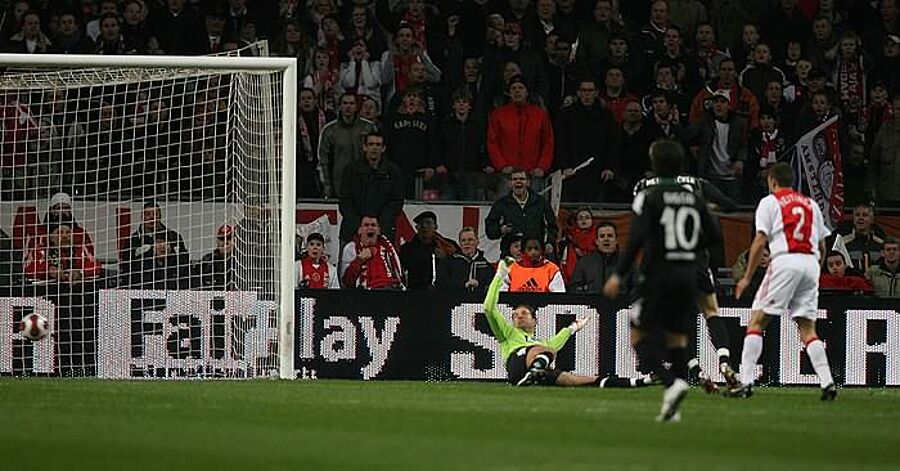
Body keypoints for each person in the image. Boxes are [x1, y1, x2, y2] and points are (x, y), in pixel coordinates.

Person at [603, 139, 721, 421]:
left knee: (638, 335)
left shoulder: (649, 195)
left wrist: (618, 274)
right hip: (688, 274)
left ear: (654, 164)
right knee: (677, 337)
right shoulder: (694, 197)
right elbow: (716, 235)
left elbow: (636, 238)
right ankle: (673, 406)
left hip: (658, 273)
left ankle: (671, 382)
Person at [732, 162, 837, 400]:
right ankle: (828, 382)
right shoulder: (810, 204)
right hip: (810, 263)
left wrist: (747, 277)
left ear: (772, 181)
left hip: (785, 260)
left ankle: (745, 382)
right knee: (807, 327)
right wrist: (813, 271)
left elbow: (760, 241)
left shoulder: (769, 202)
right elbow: (822, 246)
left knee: (757, 321)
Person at [484, 258, 653, 388]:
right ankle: (534, 372)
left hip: (535, 365)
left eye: (524, 313)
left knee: (575, 379)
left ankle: (638, 382)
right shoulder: (508, 333)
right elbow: (488, 307)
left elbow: (559, 339)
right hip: (516, 364)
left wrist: (574, 327)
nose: (519, 316)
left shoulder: (542, 343)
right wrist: (500, 274)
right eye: (515, 315)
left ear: (535, 321)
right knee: (547, 350)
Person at [486, 76, 554, 193]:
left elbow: (548, 143)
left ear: (527, 92)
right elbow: (492, 143)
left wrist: (542, 167)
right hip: (507, 175)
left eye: (520, 88)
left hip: (533, 175)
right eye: (513, 88)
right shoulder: (498, 115)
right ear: (509, 93)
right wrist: (502, 165)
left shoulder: (540, 115)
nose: (517, 91)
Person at [338, 131, 403, 245]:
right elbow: (345, 200)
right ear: (364, 147)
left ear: (383, 148)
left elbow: (396, 201)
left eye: (378, 145)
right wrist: (360, 224)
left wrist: (378, 224)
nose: (374, 148)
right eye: (371, 144)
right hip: (352, 232)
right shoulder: (351, 170)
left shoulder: (393, 172)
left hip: (383, 232)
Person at [484, 169, 558, 258]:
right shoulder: (501, 204)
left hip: (535, 255)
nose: (518, 181)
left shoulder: (541, 202)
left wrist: (550, 242)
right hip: (509, 256)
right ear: (509, 183)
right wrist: (501, 230)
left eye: (522, 179)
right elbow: (490, 230)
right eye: (515, 179)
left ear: (528, 183)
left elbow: (553, 226)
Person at [317, 93, 377, 199]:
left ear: (356, 106)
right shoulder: (329, 130)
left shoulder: (368, 127)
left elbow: (377, 155)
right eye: (345, 103)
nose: (348, 106)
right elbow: (323, 159)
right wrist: (327, 184)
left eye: (351, 103)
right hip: (339, 182)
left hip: (365, 181)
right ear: (339, 106)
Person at [122, 202, 189, 284]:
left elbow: (184, 262)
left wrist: (170, 254)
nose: (152, 217)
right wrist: (150, 252)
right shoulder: (133, 240)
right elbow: (126, 266)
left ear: (160, 216)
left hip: (170, 284)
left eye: (155, 214)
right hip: (142, 285)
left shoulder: (174, 237)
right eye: (148, 214)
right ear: (142, 217)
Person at [24, 220, 101, 283]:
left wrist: (80, 272)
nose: (64, 236)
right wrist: (48, 270)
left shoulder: (80, 249)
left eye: (68, 232)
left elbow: (95, 265)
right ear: (51, 237)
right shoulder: (41, 250)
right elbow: (28, 269)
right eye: (59, 232)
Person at [340, 215, 404, 290]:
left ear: (379, 231)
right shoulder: (351, 248)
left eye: (373, 225)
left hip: (389, 289)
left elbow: (398, 276)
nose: (370, 228)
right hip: (364, 292)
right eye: (366, 225)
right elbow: (346, 283)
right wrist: (359, 259)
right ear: (360, 230)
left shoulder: (388, 247)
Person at [399, 211, 460, 290]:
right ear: (416, 228)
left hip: (444, 291)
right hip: (417, 291)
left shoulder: (449, 245)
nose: (424, 226)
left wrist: (445, 259)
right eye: (421, 224)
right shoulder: (407, 249)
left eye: (428, 223)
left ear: (435, 227)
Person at [568, 222, 630, 293]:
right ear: (597, 241)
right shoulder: (585, 262)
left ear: (616, 240)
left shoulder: (626, 261)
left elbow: (635, 286)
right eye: (602, 236)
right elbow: (574, 288)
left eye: (610, 236)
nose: (606, 239)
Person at [436, 226, 494, 292]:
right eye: (463, 240)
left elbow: (491, 285)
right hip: (455, 297)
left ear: (477, 242)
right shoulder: (448, 263)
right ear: (460, 243)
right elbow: (441, 283)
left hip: (479, 298)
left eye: (470, 240)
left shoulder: (486, 265)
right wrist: (463, 284)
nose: (467, 243)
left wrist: (479, 284)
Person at [500, 236, 565, 292]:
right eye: (529, 249)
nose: (533, 252)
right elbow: (502, 293)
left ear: (541, 250)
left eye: (536, 248)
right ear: (523, 251)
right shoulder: (512, 268)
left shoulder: (552, 269)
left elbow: (558, 296)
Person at [197, 224, 236, 290]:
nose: (225, 242)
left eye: (229, 238)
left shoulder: (241, 262)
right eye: (222, 239)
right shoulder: (207, 261)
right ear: (217, 241)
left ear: (235, 241)